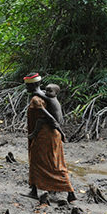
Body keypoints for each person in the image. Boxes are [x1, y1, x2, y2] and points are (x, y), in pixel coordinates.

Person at [23, 73, 76, 202]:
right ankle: (35, 189)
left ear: (33, 84)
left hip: (45, 136)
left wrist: (34, 133)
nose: (25, 87)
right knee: (51, 161)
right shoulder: (46, 96)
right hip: (51, 134)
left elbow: (48, 118)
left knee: (47, 163)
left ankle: (70, 191)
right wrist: (61, 132)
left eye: (27, 85)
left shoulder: (37, 99)